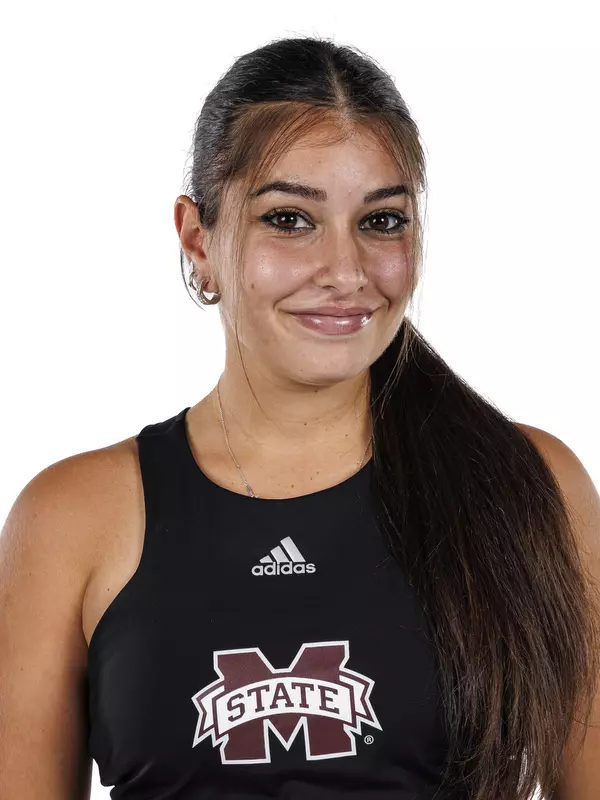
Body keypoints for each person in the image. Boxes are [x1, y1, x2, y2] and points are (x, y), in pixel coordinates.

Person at [1, 35, 599, 800]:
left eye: (381, 222)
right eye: (289, 219)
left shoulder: (528, 486)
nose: (346, 272)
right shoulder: (72, 517)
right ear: (197, 241)